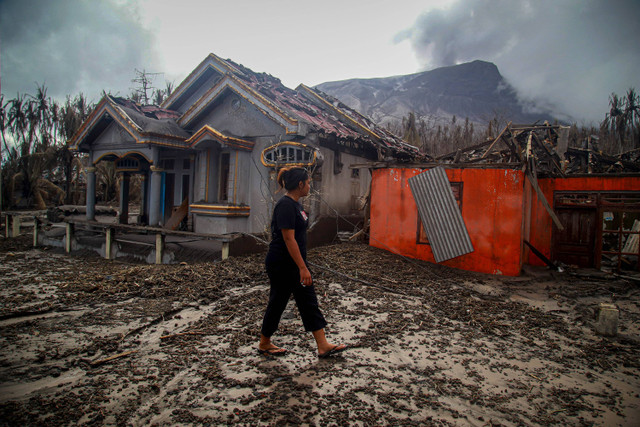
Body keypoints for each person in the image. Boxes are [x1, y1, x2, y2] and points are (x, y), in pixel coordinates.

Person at [258, 166, 347, 358]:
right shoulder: (285, 205)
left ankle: (322, 344)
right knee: (278, 302)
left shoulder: (296, 205)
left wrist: (302, 265)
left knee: (308, 300)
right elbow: (289, 239)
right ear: (300, 184)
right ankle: (264, 342)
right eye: (308, 183)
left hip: (294, 262)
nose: (309, 186)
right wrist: (302, 267)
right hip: (282, 263)